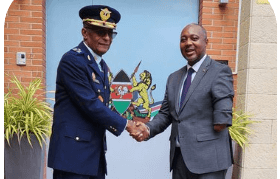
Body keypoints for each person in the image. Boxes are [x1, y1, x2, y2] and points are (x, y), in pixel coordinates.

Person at [132, 23, 234, 179]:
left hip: (209, 162)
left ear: (206, 42)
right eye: (183, 39)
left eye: (194, 38)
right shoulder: (174, 78)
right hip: (180, 159)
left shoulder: (219, 71)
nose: (188, 43)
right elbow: (166, 114)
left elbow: (222, 119)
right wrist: (148, 128)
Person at [48, 5, 137, 179]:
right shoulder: (72, 60)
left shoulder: (101, 66)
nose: (106, 38)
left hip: (93, 157)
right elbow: (90, 103)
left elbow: (99, 106)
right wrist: (128, 125)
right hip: (72, 157)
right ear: (85, 33)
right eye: (100, 32)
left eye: (110, 34)